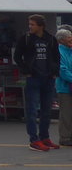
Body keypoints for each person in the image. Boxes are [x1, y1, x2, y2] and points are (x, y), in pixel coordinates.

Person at [14, 14, 60, 152]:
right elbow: (17, 56)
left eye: (32, 24)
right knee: (32, 110)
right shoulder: (26, 39)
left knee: (46, 110)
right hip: (33, 77)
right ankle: (34, 140)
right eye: (29, 24)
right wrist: (26, 70)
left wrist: (54, 72)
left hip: (48, 78)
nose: (30, 27)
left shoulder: (51, 39)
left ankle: (45, 137)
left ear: (41, 26)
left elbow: (56, 57)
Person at [56, 27, 72, 147]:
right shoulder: (59, 52)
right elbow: (62, 70)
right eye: (69, 38)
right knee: (66, 113)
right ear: (61, 40)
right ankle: (65, 137)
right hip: (64, 88)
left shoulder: (70, 50)